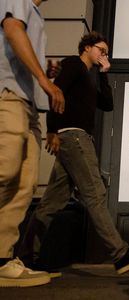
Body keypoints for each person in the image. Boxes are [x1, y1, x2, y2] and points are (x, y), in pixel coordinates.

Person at [22, 32, 129, 276]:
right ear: (86, 47)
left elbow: (107, 104)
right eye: (101, 50)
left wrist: (104, 74)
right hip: (73, 136)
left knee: (51, 203)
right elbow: (55, 91)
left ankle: (27, 259)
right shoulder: (73, 64)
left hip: (75, 139)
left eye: (106, 52)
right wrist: (51, 130)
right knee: (95, 193)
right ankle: (120, 253)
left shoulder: (89, 76)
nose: (104, 55)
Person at [0, 0, 65, 288]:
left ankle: (2, 260)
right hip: (7, 94)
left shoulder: (36, 12)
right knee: (5, 170)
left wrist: (44, 72)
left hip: (27, 102)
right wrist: (45, 81)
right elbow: (13, 29)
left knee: (24, 185)